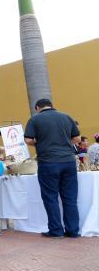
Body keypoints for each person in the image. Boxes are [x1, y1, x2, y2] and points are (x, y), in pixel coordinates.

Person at [24, 99, 81, 238]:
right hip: (68, 161)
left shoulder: (35, 119)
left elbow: (28, 139)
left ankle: (56, 231)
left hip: (48, 162)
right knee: (70, 198)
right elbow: (78, 138)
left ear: (37, 107)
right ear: (51, 105)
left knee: (51, 198)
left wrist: (40, 142)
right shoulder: (66, 116)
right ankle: (73, 231)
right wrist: (65, 143)